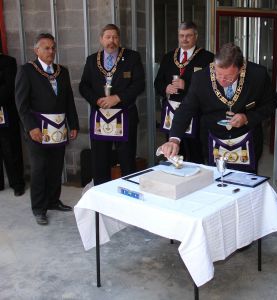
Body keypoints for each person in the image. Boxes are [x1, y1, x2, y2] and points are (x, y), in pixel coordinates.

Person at [159, 43, 277, 173]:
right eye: (218, 74)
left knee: (246, 184)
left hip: (247, 140)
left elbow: (271, 103)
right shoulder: (201, 78)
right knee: (215, 183)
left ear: (240, 68)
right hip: (213, 140)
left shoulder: (257, 75)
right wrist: (174, 139)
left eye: (228, 77)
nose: (222, 80)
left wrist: (248, 118)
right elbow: (186, 109)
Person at [15, 33, 79, 225]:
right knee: (39, 168)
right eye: (46, 48)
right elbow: (21, 104)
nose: (51, 52)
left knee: (56, 166)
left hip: (58, 128)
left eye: (53, 48)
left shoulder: (62, 71)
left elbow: (68, 100)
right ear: (37, 50)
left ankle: (53, 200)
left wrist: (73, 124)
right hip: (38, 130)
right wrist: (31, 127)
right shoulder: (27, 70)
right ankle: (39, 208)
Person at [79, 24, 145, 186]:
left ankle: (128, 195)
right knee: (100, 160)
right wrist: (96, 100)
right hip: (101, 117)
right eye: (108, 37)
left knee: (127, 159)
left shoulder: (132, 57)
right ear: (101, 39)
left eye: (115, 37)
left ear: (119, 39)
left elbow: (139, 85)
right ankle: (102, 196)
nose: (111, 41)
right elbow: (83, 86)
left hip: (125, 115)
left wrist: (118, 98)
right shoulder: (91, 60)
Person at [154, 21, 214, 163]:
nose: (184, 39)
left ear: (196, 36)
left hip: (195, 113)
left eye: (188, 36)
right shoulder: (168, 57)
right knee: (173, 153)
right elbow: (157, 83)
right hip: (171, 113)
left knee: (194, 154)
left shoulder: (207, 58)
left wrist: (186, 86)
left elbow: (211, 87)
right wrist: (165, 88)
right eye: (181, 36)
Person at [0, 53, 25, 196]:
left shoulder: (8, 62)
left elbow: (9, 87)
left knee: (11, 149)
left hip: (6, 112)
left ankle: (17, 183)